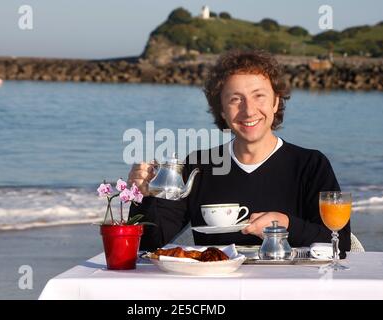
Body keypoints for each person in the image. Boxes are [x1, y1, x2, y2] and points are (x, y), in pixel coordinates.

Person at [128, 49, 351, 252]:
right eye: (235, 99)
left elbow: (340, 242)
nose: (248, 110)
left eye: (259, 96)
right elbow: (149, 243)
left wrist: (286, 224)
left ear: (275, 102)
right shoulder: (200, 165)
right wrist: (144, 196)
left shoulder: (310, 165)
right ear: (222, 110)